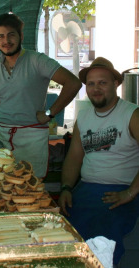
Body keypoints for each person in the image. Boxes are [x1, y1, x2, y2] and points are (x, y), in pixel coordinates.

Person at [58, 57, 139, 265]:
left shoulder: (132, 114)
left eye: (102, 82)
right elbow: (74, 158)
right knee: (62, 235)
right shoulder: (84, 116)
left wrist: (130, 193)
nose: (96, 88)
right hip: (86, 190)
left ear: (116, 83)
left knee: (103, 241)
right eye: (91, 84)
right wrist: (66, 188)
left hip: (121, 191)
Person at [0, 13, 82, 178]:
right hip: (3, 138)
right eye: (0, 36)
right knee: (3, 186)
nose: (6, 41)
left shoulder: (37, 60)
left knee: (31, 188)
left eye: (11, 35)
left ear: (21, 36)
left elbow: (73, 83)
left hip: (32, 138)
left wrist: (49, 114)